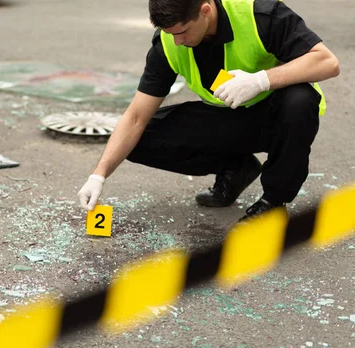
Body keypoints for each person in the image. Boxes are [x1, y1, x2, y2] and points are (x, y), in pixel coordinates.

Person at [77, 0, 340, 222]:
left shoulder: (259, 14)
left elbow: (327, 62)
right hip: (228, 119)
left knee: (299, 100)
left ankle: (274, 201)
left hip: (277, 118)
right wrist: (98, 175)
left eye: (182, 32)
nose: (177, 42)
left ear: (205, 10)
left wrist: (260, 80)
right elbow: (135, 117)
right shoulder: (169, 43)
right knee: (133, 139)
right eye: (170, 34)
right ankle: (236, 167)